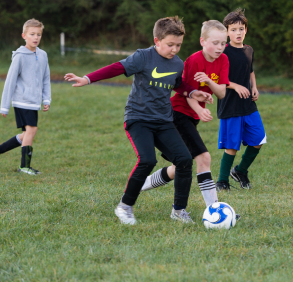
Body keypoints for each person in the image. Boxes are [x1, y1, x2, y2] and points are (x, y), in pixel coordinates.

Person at [64, 16, 213, 225]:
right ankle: (124, 207)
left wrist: (193, 93)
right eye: (170, 45)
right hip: (138, 118)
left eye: (178, 45)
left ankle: (179, 211)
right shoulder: (143, 57)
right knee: (147, 160)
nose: (174, 49)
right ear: (157, 40)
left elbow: (178, 84)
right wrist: (87, 78)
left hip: (163, 121)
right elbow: (116, 67)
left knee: (184, 160)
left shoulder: (178, 64)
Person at [141, 20, 230, 208]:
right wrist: (199, 109)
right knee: (204, 158)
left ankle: (137, 186)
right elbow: (186, 92)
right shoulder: (194, 60)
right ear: (202, 41)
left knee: (180, 166)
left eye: (223, 43)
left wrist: (208, 81)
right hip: (178, 114)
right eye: (215, 42)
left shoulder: (223, 60)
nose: (220, 47)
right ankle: (215, 210)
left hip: (192, 117)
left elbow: (221, 92)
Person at [0, 19, 51, 175]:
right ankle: (24, 166)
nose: (35, 37)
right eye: (32, 34)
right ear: (24, 35)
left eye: (39, 34)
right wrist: (4, 106)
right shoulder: (20, 56)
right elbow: (10, 81)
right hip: (22, 100)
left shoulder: (43, 55)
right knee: (32, 130)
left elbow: (46, 78)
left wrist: (46, 98)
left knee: (26, 134)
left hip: (34, 102)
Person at [216, 8, 266, 191]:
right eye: (233, 29)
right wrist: (235, 86)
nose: (238, 33)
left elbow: (250, 71)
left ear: (246, 30)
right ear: (227, 32)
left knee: (258, 139)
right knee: (232, 146)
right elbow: (217, 78)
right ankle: (222, 181)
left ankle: (240, 171)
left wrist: (254, 86)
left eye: (241, 28)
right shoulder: (223, 52)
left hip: (249, 105)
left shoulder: (249, 50)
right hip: (231, 105)